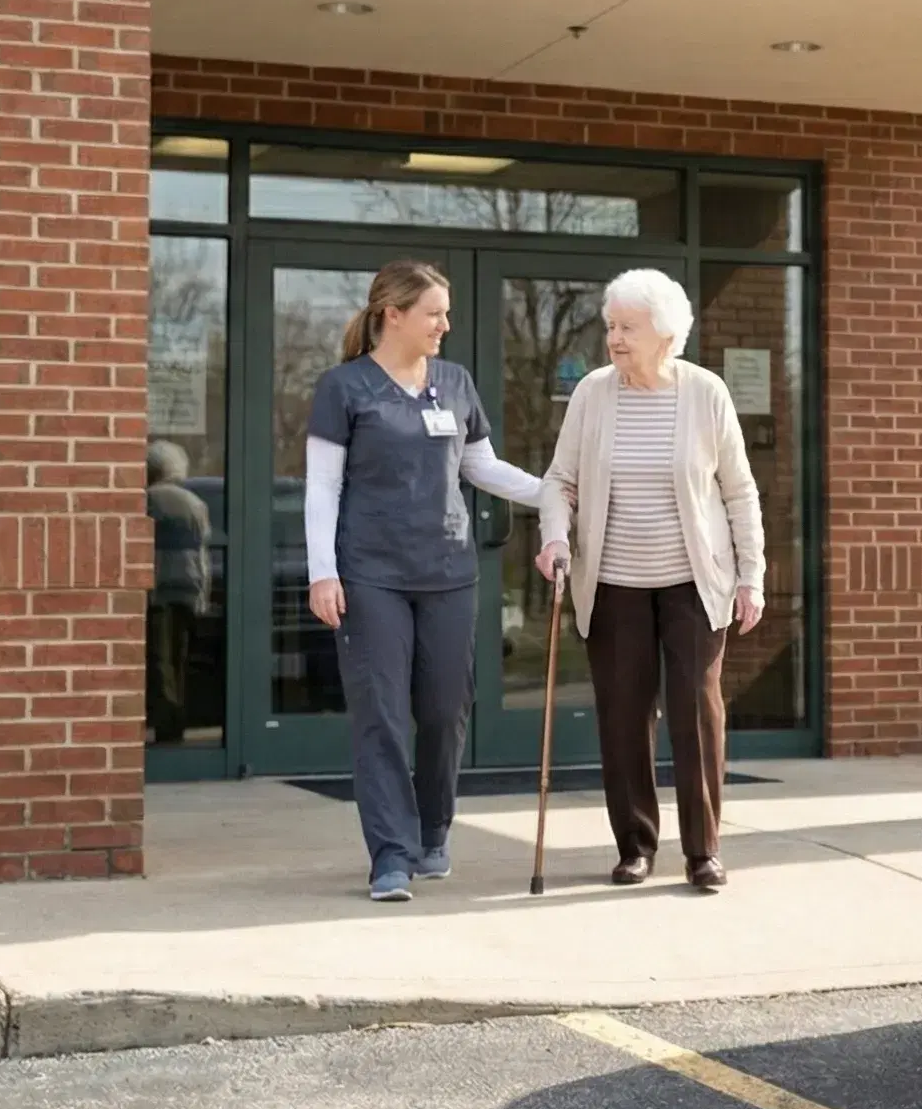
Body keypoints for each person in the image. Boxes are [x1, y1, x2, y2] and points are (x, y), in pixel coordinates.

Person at [304, 260, 544, 902]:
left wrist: (553, 494)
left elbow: (481, 466)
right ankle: (388, 853)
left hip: (447, 572)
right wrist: (322, 571)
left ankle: (434, 829)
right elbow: (323, 487)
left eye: (446, 313)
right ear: (395, 315)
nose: (445, 324)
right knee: (380, 715)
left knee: (444, 710)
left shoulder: (454, 383)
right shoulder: (345, 387)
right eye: (435, 313)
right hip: (369, 575)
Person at [535, 268, 766, 893]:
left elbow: (739, 493)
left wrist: (752, 577)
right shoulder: (592, 394)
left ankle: (703, 851)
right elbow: (560, 480)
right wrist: (554, 536)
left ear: (665, 334)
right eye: (611, 326)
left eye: (627, 328)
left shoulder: (706, 394)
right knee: (623, 714)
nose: (614, 338)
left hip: (694, 580)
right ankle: (635, 844)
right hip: (613, 581)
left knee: (696, 711)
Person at [143, 440, 212, 745]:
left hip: (158, 590)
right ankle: (177, 722)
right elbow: (203, 551)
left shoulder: (148, 501)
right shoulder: (195, 503)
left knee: (160, 660)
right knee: (180, 658)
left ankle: (167, 726)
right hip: (189, 586)